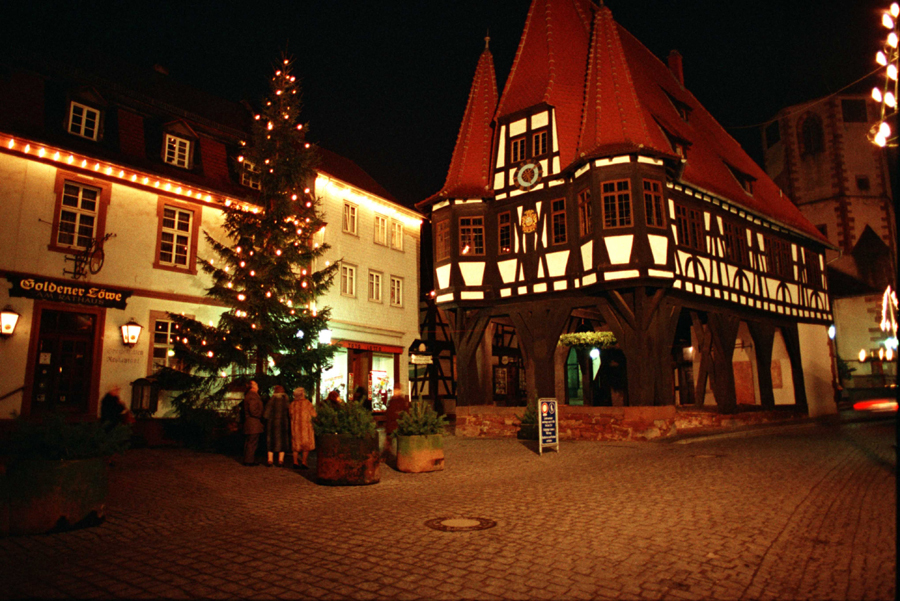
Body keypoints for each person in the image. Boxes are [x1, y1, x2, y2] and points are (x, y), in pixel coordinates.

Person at [263, 385, 291, 467]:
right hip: (283, 423)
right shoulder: (285, 400)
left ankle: (270, 460)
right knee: (282, 443)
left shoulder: (271, 400)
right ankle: (280, 460)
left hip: (272, 424)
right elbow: (289, 412)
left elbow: (266, 414)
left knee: (270, 443)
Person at [289, 387, 316, 469]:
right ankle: (304, 462)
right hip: (305, 426)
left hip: (296, 426)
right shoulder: (307, 403)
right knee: (306, 445)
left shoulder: (292, 404)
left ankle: (295, 462)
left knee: (296, 445)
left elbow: (290, 414)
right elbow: (313, 414)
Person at [242, 381, 264, 466]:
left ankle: (248, 459)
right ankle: (249, 460)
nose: (258, 386)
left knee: (250, 442)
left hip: (251, 423)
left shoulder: (249, 395)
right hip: (253, 423)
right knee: (252, 442)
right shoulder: (253, 396)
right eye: (256, 384)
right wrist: (260, 415)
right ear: (253, 387)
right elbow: (253, 410)